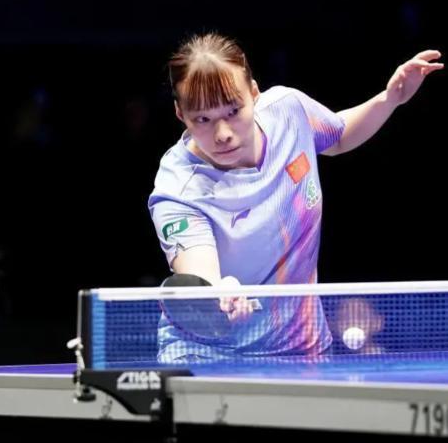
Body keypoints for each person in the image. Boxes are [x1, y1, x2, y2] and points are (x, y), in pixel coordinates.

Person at [148, 33, 441, 363]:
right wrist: (220, 292)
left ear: (254, 93)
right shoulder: (178, 187)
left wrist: (390, 99)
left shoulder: (287, 112)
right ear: (180, 114)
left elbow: (338, 135)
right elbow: (199, 274)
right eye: (203, 119)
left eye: (233, 111)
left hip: (302, 348)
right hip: (208, 355)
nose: (223, 134)